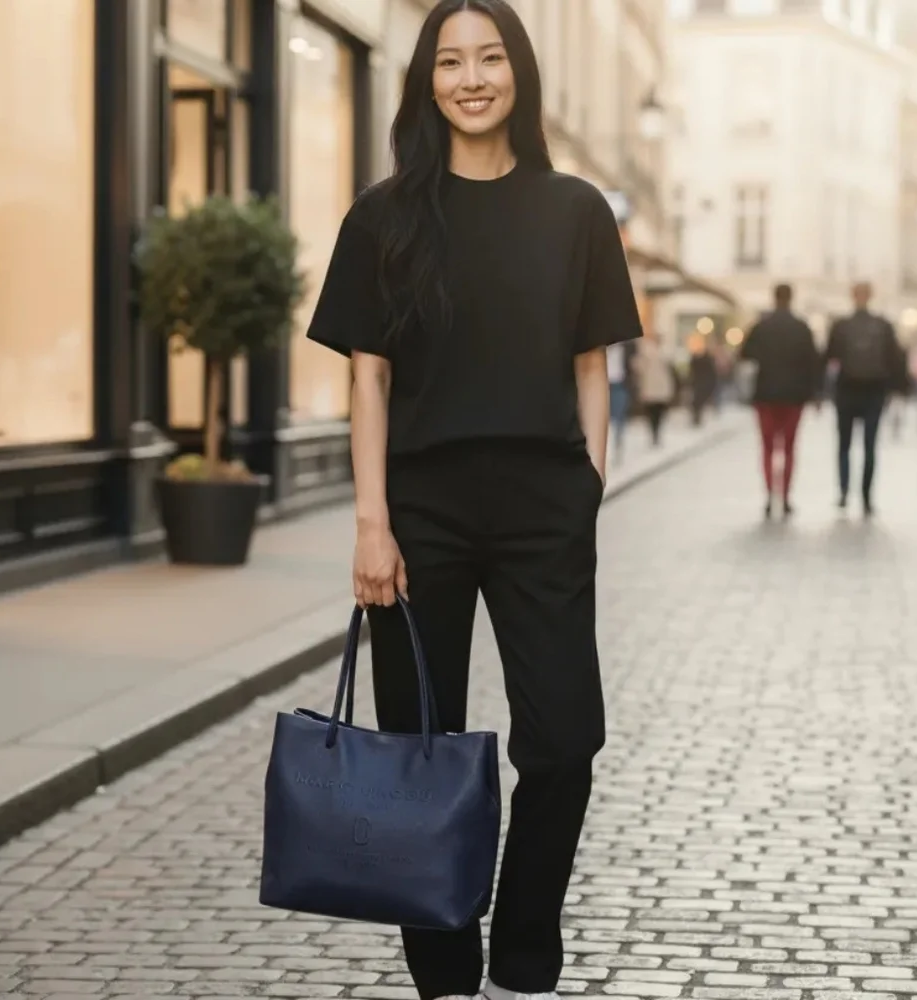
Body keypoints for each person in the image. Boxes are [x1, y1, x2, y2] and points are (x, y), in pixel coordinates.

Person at [305, 2, 643, 998]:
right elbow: (366, 378)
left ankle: (522, 964)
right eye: (449, 60)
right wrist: (372, 522)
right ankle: (446, 977)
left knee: (565, 740)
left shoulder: (577, 209)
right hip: (421, 510)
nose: (471, 76)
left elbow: (591, 363)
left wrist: (590, 484)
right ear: (427, 81)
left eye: (490, 56)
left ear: (518, 73)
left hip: (544, 500)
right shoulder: (383, 216)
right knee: (420, 751)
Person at [739, 284, 821, 519]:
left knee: (767, 447)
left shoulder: (761, 327)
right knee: (788, 447)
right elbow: (814, 363)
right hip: (794, 397)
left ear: (773, 298)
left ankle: (769, 493)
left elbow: (745, 355)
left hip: (765, 395)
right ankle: (785, 496)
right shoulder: (802, 328)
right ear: (791, 298)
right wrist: (816, 394)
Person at [825, 282, 902, 516]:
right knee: (870, 445)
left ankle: (844, 492)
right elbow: (896, 360)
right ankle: (867, 497)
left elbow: (829, 356)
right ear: (870, 296)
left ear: (853, 296)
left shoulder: (841, 326)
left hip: (847, 390)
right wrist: (895, 389)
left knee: (844, 445)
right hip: (873, 391)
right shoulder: (883, 326)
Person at [633, 333, 676, 446]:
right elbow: (638, 368)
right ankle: (655, 434)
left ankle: (655, 434)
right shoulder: (648, 352)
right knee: (655, 414)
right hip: (653, 388)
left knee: (656, 414)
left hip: (657, 389)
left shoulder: (664, 353)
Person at [606, 341, 630, 460]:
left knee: (619, 417)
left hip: (619, 385)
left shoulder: (626, 345)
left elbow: (631, 364)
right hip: (602, 385)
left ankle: (618, 445)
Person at [688, 340, 717, 426]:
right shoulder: (707, 361)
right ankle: (697, 417)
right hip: (702, 383)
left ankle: (697, 417)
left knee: (697, 402)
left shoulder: (698, 361)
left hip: (699, 383)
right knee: (698, 402)